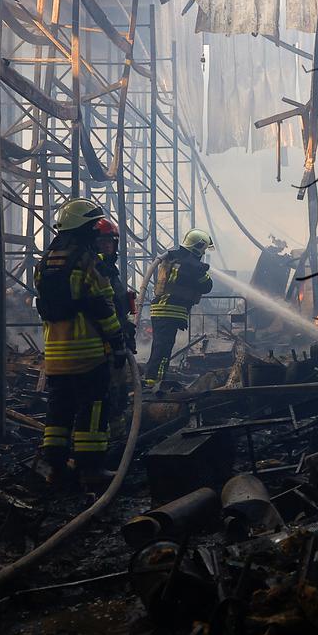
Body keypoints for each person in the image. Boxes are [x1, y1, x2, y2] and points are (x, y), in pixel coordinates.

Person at [34, 198, 134, 491]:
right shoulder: (87, 261)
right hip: (88, 353)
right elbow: (102, 306)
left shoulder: (46, 262)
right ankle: (90, 469)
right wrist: (117, 342)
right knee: (92, 409)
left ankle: (54, 467)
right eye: (93, 228)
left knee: (58, 412)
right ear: (83, 228)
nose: (96, 234)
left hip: (55, 355)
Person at [141, 228, 215, 389]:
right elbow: (207, 286)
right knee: (163, 348)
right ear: (199, 247)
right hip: (169, 311)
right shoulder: (193, 266)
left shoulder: (176, 259)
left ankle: (151, 378)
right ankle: (154, 382)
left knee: (160, 346)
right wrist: (202, 269)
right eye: (204, 249)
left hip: (162, 309)